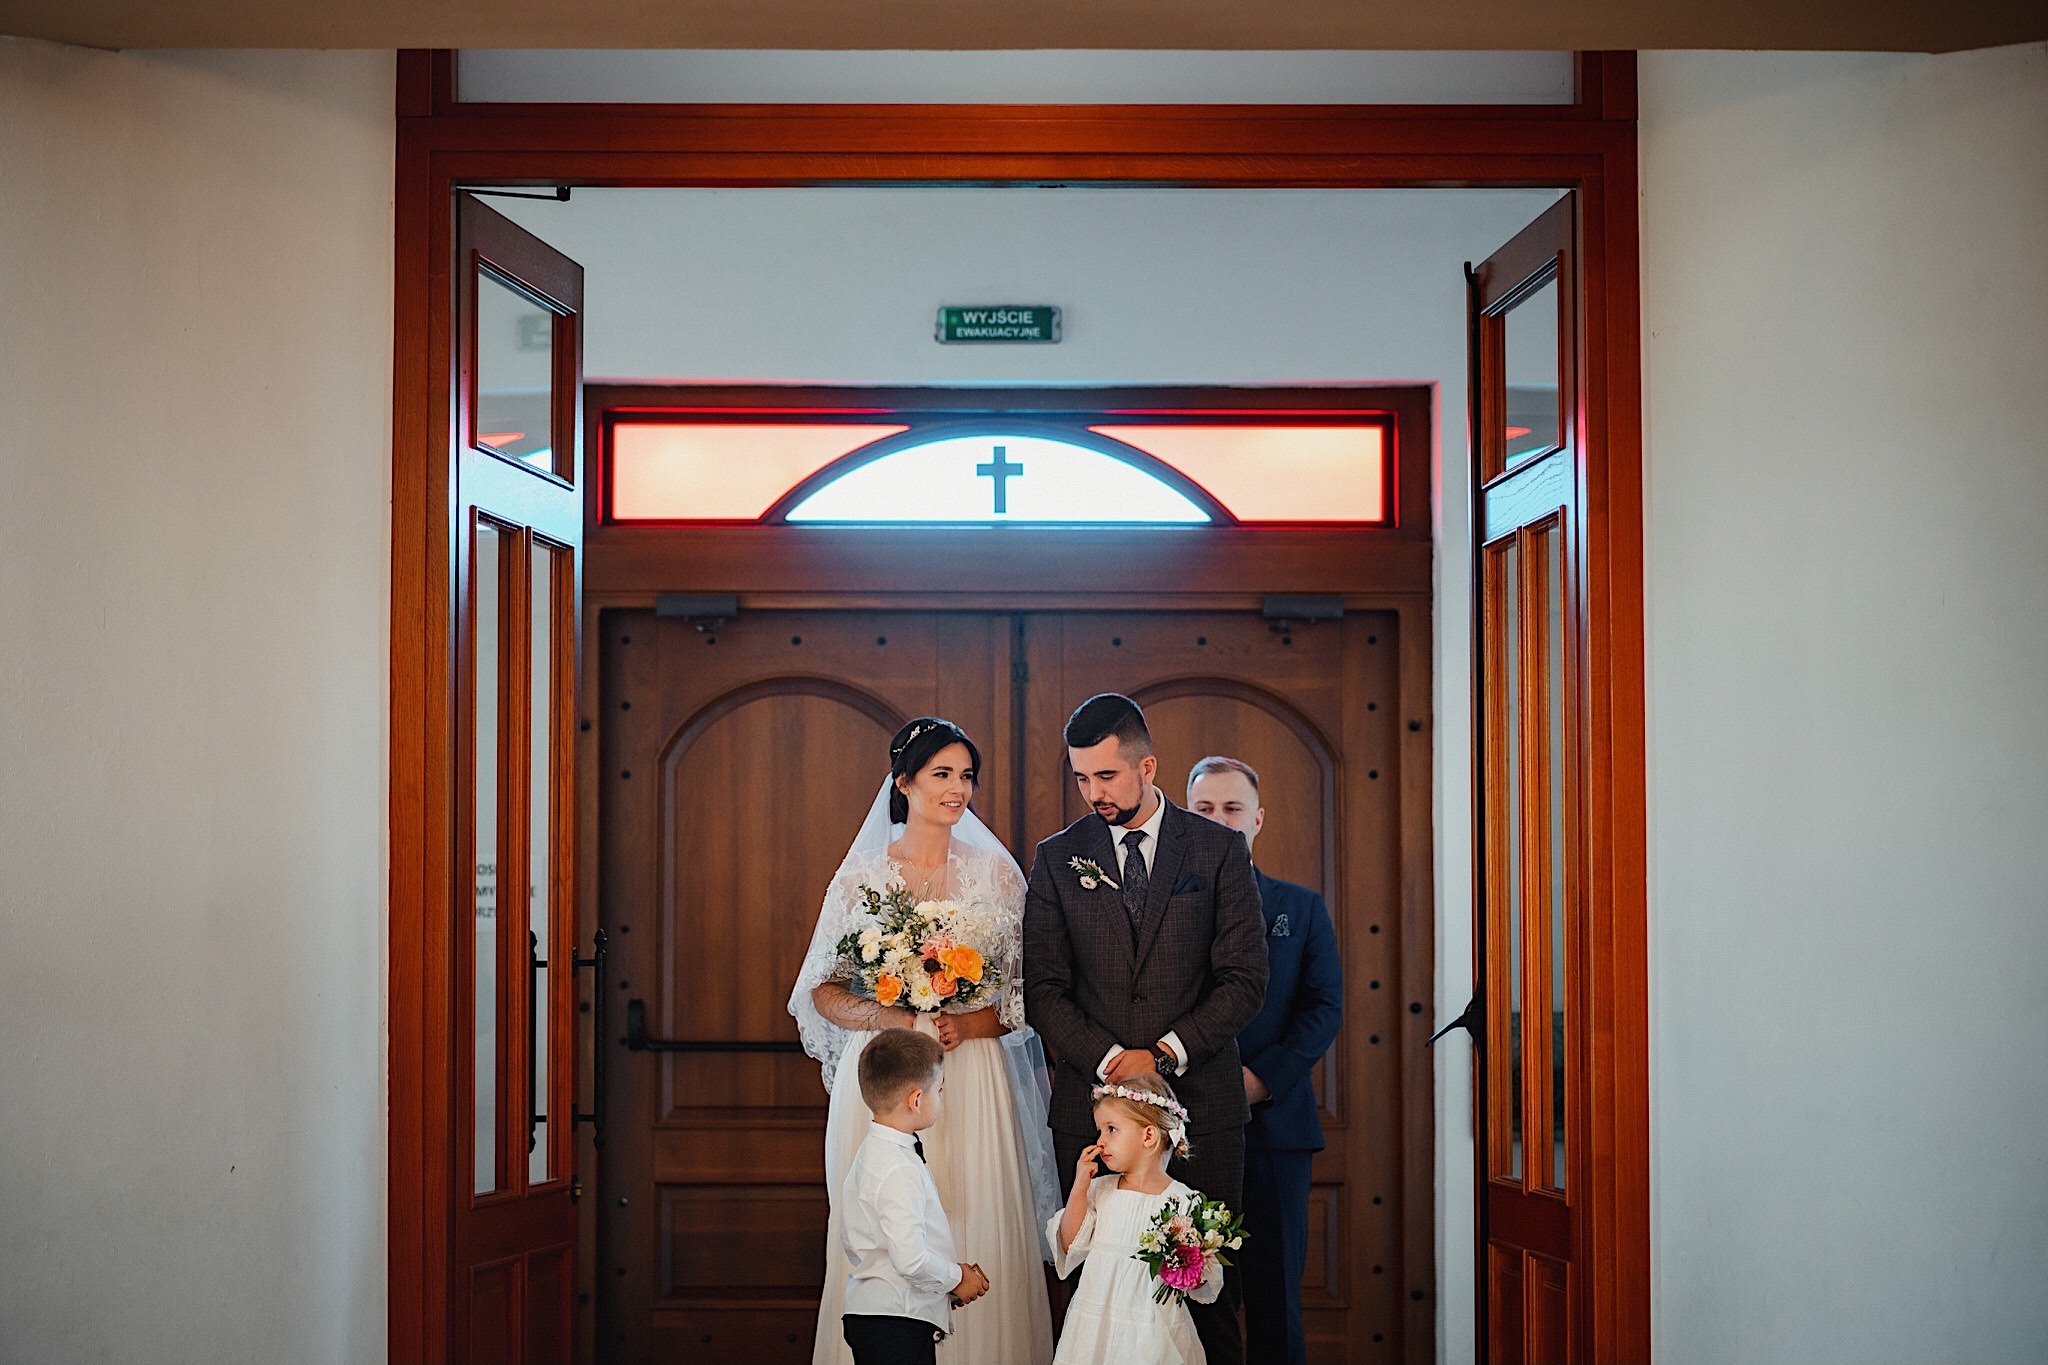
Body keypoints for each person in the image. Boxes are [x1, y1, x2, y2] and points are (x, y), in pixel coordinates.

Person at [790, 718, 1058, 1365]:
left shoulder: (998, 875)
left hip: (971, 1074)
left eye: (966, 776)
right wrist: (889, 1017)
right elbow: (820, 991)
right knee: (888, 1224)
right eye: (942, 773)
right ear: (904, 781)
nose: (958, 788)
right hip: (886, 1073)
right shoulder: (861, 877)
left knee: (976, 1210)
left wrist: (968, 1024)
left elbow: (1028, 997)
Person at [1023, 693, 1267, 1365]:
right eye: (1081, 777)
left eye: (1106, 775)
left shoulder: (1218, 850)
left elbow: (1245, 978)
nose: (1093, 792)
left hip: (1202, 1109)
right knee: (1092, 1287)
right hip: (1090, 1109)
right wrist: (1111, 1060)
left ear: (1147, 766)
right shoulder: (1058, 857)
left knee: (1210, 1296)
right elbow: (1042, 987)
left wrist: (1159, 1055)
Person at [1186, 757, 1343, 1365]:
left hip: (1276, 1131)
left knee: (1275, 1300)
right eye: (1204, 810)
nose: (1220, 821)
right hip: (1185, 1129)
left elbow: (1323, 1008)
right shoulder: (1163, 910)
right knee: (1189, 1297)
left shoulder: (1300, 908)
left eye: (1232, 809)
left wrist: (1261, 1081)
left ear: (1257, 819)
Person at [1047, 1071, 1221, 1365]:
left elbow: (1204, 1281)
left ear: (1148, 1135)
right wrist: (1079, 1187)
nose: (1100, 1141)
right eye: (1100, 1131)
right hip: (1097, 1322)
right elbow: (1070, 1244)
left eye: (1111, 1129)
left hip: (1151, 1326)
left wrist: (1189, 1262)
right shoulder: (1100, 1190)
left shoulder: (1183, 1201)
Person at [841, 1028, 992, 1365]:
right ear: (916, 1100)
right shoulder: (897, 1167)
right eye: (939, 1090)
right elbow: (910, 1260)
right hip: (895, 1321)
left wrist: (942, 1288)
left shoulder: (873, 1152)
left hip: (879, 1313)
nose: (941, 1097)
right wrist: (956, 1277)